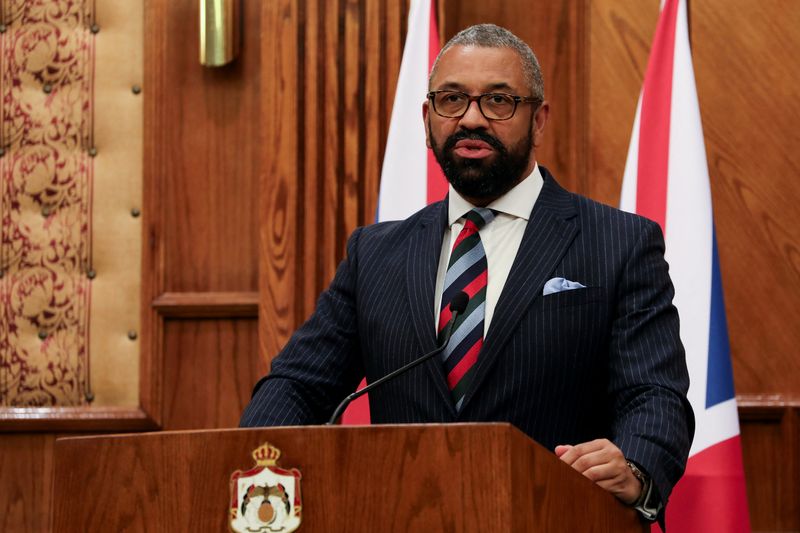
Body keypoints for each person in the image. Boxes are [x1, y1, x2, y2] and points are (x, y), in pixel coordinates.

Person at [241, 23, 693, 525]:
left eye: (498, 101)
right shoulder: (375, 253)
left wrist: (633, 466)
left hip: (556, 516)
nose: (471, 119)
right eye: (452, 99)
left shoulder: (619, 243)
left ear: (538, 120)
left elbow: (654, 394)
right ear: (427, 117)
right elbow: (299, 386)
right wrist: (250, 465)